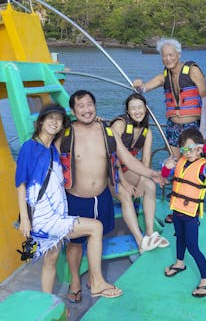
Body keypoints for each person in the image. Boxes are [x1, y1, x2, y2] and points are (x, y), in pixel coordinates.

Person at [58, 90, 166, 303]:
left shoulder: (107, 132)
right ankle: (75, 281)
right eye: (81, 106)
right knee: (76, 244)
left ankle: (94, 277)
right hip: (76, 198)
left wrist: (152, 174)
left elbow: (128, 160)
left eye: (90, 104)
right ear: (73, 110)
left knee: (98, 235)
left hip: (103, 196)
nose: (87, 109)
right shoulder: (66, 134)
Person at [15, 104, 122, 299]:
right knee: (95, 227)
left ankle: (46, 304)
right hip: (45, 218)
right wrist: (24, 219)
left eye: (58, 119)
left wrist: (97, 121)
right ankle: (97, 283)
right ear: (41, 121)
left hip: (56, 214)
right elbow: (20, 185)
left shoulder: (53, 149)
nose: (54, 122)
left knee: (51, 259)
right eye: (50, 118)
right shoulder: (30, 147)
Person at [161, 128, 206, 298]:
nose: (189, 152)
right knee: (179, 238)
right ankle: (179, 263)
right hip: (177, 210)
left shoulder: (204, 167)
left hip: (191, 214)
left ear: (200, 148)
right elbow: (164, 176)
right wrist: (166, 168)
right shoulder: (180, 161)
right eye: (185, 149)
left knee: (193, 247)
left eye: (193, 148)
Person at [110, 93, 169, 252]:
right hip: (109, 172)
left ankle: (150, 232)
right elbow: (112, 157)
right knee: (125, 194)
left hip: (128, 168)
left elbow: (145, 161)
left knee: (150, 185)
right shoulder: (120, 125)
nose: (137, 111)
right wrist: (125, 183)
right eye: (133, 108)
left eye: (140, 108)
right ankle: (140, 240)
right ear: (128, 111)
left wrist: (142, 183)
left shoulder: (146, 131)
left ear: (145, 109)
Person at [132, 38, 206, 159]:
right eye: (164, 56)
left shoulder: (193, 70)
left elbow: (205, 99)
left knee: (192, 162)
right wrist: (138, 84)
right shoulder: (164, 77)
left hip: (191, 126)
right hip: (173, 127)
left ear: (178, 55)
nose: (168, 59)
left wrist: (203, 129)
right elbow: (143, 89)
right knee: (175, 162)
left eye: (171, 55)